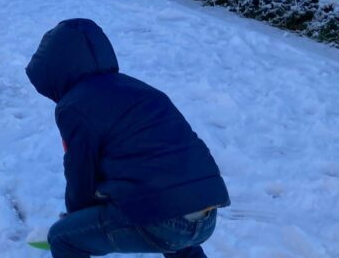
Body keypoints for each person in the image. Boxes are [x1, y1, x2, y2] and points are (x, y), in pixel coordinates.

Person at [25, 19, 230, 258]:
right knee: (174, 216)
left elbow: (81, 172)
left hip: (164, 221)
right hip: (206, 213)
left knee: (63, 238)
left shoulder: (74, 106)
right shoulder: (140, 89)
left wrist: (74, 220)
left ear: (55, 71)